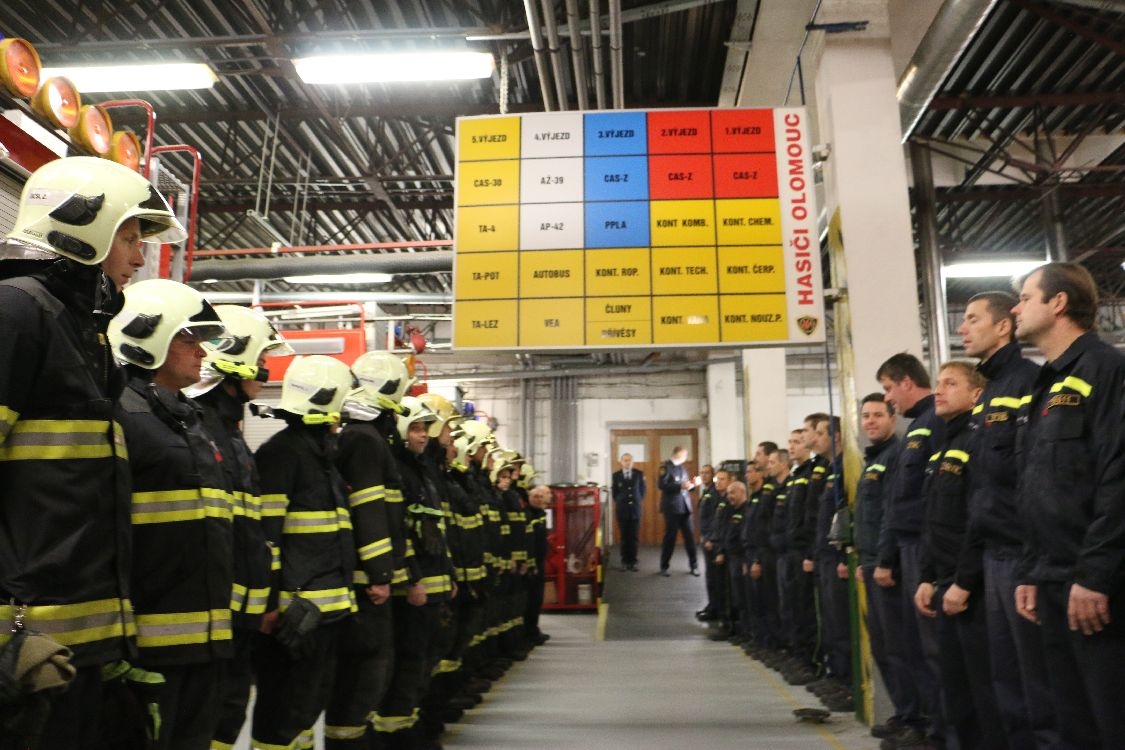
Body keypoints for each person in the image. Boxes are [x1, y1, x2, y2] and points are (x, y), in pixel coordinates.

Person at [0, 156, 185, 749]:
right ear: (82, 229)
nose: (138, 256)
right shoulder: (17, 312)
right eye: (128, 236)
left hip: (88, 639)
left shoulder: (83, 329)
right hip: (31, 639)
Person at [108, 278, 235, 749]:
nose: (202, 352)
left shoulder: (188, 420)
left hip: (205, 641)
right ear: (147, 337)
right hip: (150, 643)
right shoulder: (124, 417)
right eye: (189, 338)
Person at [1013, 262, 1125, 748]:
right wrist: (1032, 572)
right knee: (1071, 719)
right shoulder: (1047, 384)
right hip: (1054, 579)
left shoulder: (1107, 370)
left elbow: (1118, 477)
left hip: (1095, 586)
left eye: (1025, 297)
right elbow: (1039, 487)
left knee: (1110, 716)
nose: (1015, 308)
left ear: (1058, 303)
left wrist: (1095, 575)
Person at [186, 304, 294, 750]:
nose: (266, 372)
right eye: (260, 360)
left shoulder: (229, 432)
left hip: (241, 619)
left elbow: (251, 533)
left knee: (228, 716)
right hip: (212, 618)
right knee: (206, 721)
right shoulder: (198, 428)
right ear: (230, 359)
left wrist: (264, 599)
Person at [959, 291, 1059, 748]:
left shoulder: (1028, 382)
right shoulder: (990, 392)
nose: (963, 328)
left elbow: (1036, 480)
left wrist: (1035, 564)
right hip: (994, 556)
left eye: (972, 318)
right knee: (1007, 682)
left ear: (1003, 327)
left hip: (1023, 557)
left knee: (1039, 686)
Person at [252, 355, 358, 750]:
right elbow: (268, 536)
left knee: (306, 709)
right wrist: (271, 603)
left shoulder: (320, 456)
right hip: (295, 614)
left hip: (324, 611)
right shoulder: (282, 454)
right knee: (282, 713)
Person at [912, 361, 1007, 749]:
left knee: (982, 689)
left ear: (976, 394)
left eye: (950, 383)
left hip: (970, 588)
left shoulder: (975, 444)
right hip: (944, 581)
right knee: (954, 684)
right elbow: (936, 520)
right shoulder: (943, 448)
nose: (939, 390)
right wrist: (926, 575)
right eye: (937, 383)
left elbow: (978, 520)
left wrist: (963, 582)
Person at [326, 351, 408, 749]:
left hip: (369, 581)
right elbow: (369, 512)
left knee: (375, 671)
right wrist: (378, 574)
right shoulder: (365, 440)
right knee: (365, 673)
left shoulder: (365, 438)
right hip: (367, 585)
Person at [876, 352, 947, 749]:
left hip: (923, 545)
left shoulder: (933, 423)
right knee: (915, 645)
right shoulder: (915, 427)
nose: (888, 399)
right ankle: (927, 724)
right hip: (906, 545)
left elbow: (931, 493)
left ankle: (939, 731)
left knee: (933, 647)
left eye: (889, 389)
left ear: (906, 382)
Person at [853, 393, 919, 741]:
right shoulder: (873, 458)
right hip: (870, 560)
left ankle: (914, 718)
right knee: (882, 646)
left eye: (878, 415)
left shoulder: (895, 455)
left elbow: (892, 515)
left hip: (885, 565)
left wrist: (884, 560)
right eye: (866, 416)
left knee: (898, 645)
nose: (870, 421)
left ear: (893, 418)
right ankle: (903, 712)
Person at [657, 446, 699, 576]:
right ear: (678, 454)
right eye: (685, 454)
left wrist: (691, 485)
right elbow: (662, 485)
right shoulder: (665, 467)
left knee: (689, 538)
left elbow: (685, 486)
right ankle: (664, 566)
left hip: (685, 507)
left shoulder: (682, 468)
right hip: (672, 508)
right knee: (670, 537)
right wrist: (680, 485)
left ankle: (694, 565)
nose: (686, 457)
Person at [697, 466, 728, 621]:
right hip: (708, 538)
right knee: (710, 577)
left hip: (714, 541)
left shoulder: (718, 496)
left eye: (707, 473)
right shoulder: (708, 492)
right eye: (701, 473)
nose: (704, 476)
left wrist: (710, 538)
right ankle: (713, 605)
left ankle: (717, 609)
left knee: (716, 578)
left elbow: (716, 522)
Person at [611, 453, 646, 572]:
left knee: (634, 537)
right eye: (625, 460)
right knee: (624, 537)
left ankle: (633, 561)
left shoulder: (639, 474)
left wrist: (636, 501)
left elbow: (642, 490)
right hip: (622, 510)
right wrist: (622, 502)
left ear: (633, 462)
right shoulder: (616, 475)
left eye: (630, 460)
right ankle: (625, 561)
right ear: (621, 462)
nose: (628, 462)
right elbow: (615, 493)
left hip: (635, 510)